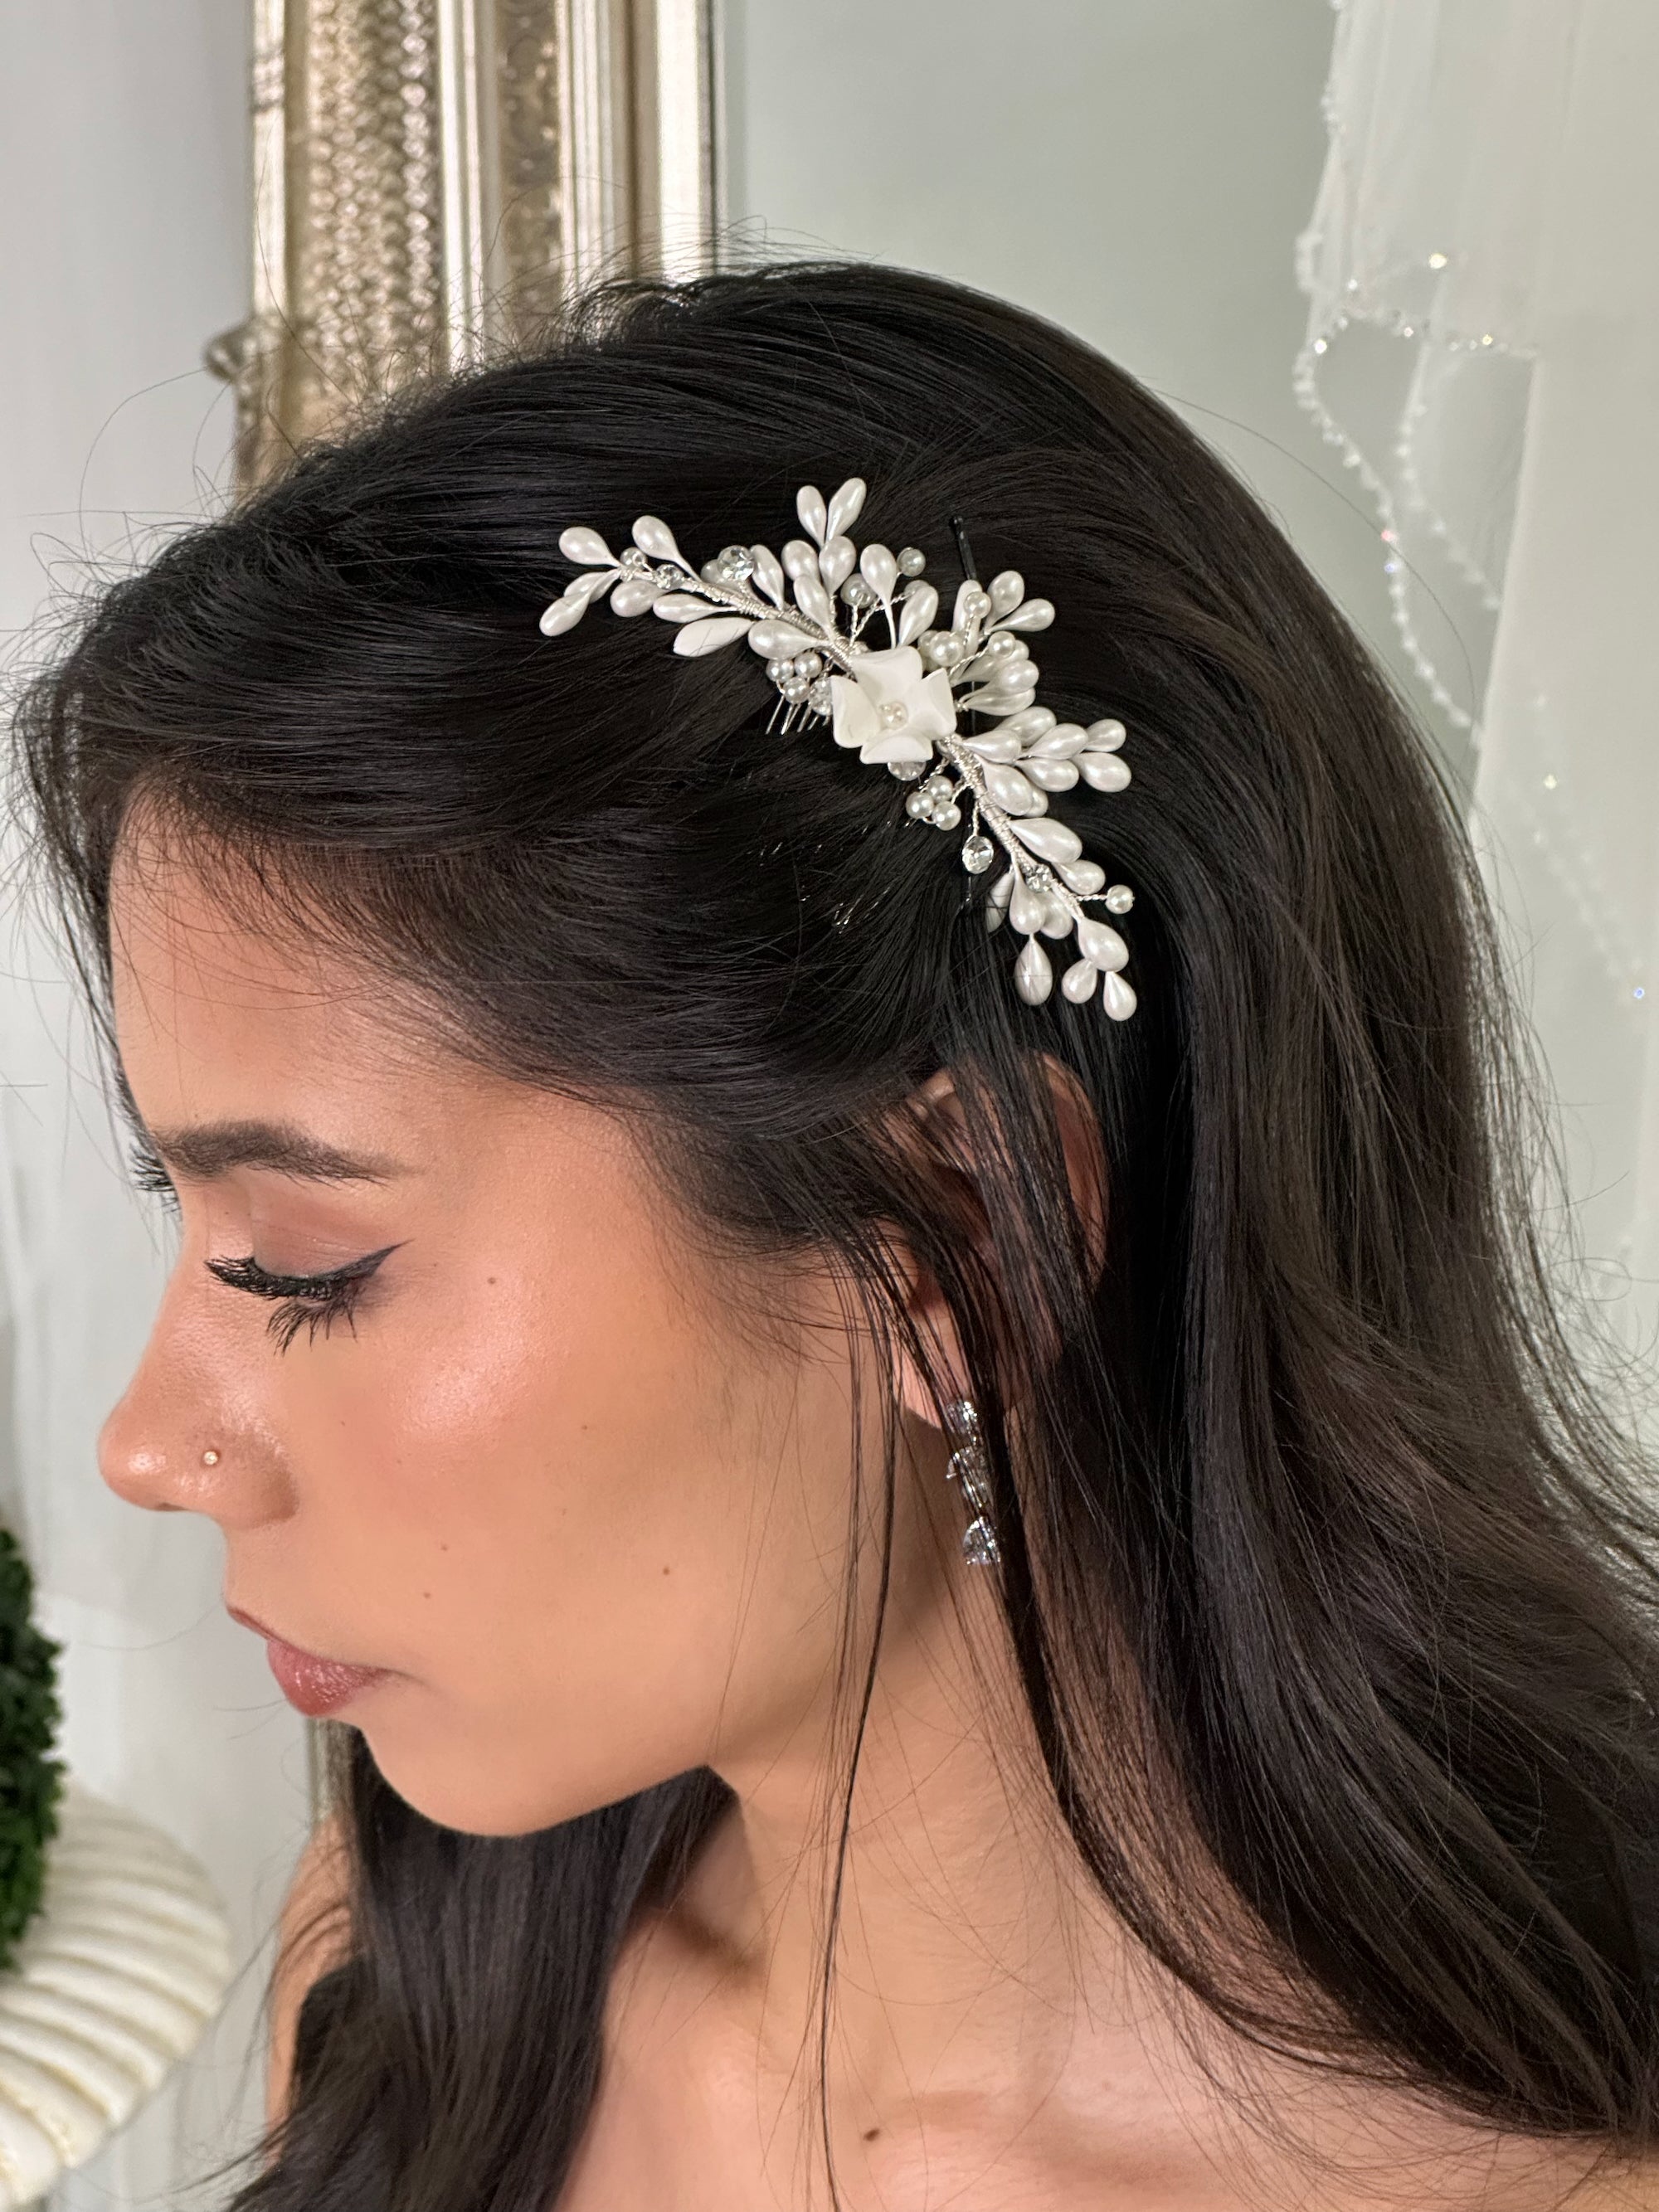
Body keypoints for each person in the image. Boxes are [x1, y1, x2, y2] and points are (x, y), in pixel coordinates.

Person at [17, 262, 1659, 2211]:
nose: (150, 1443)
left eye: (301, 1261)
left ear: (968, 1233)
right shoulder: (413, 1990)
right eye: (187, 1216)